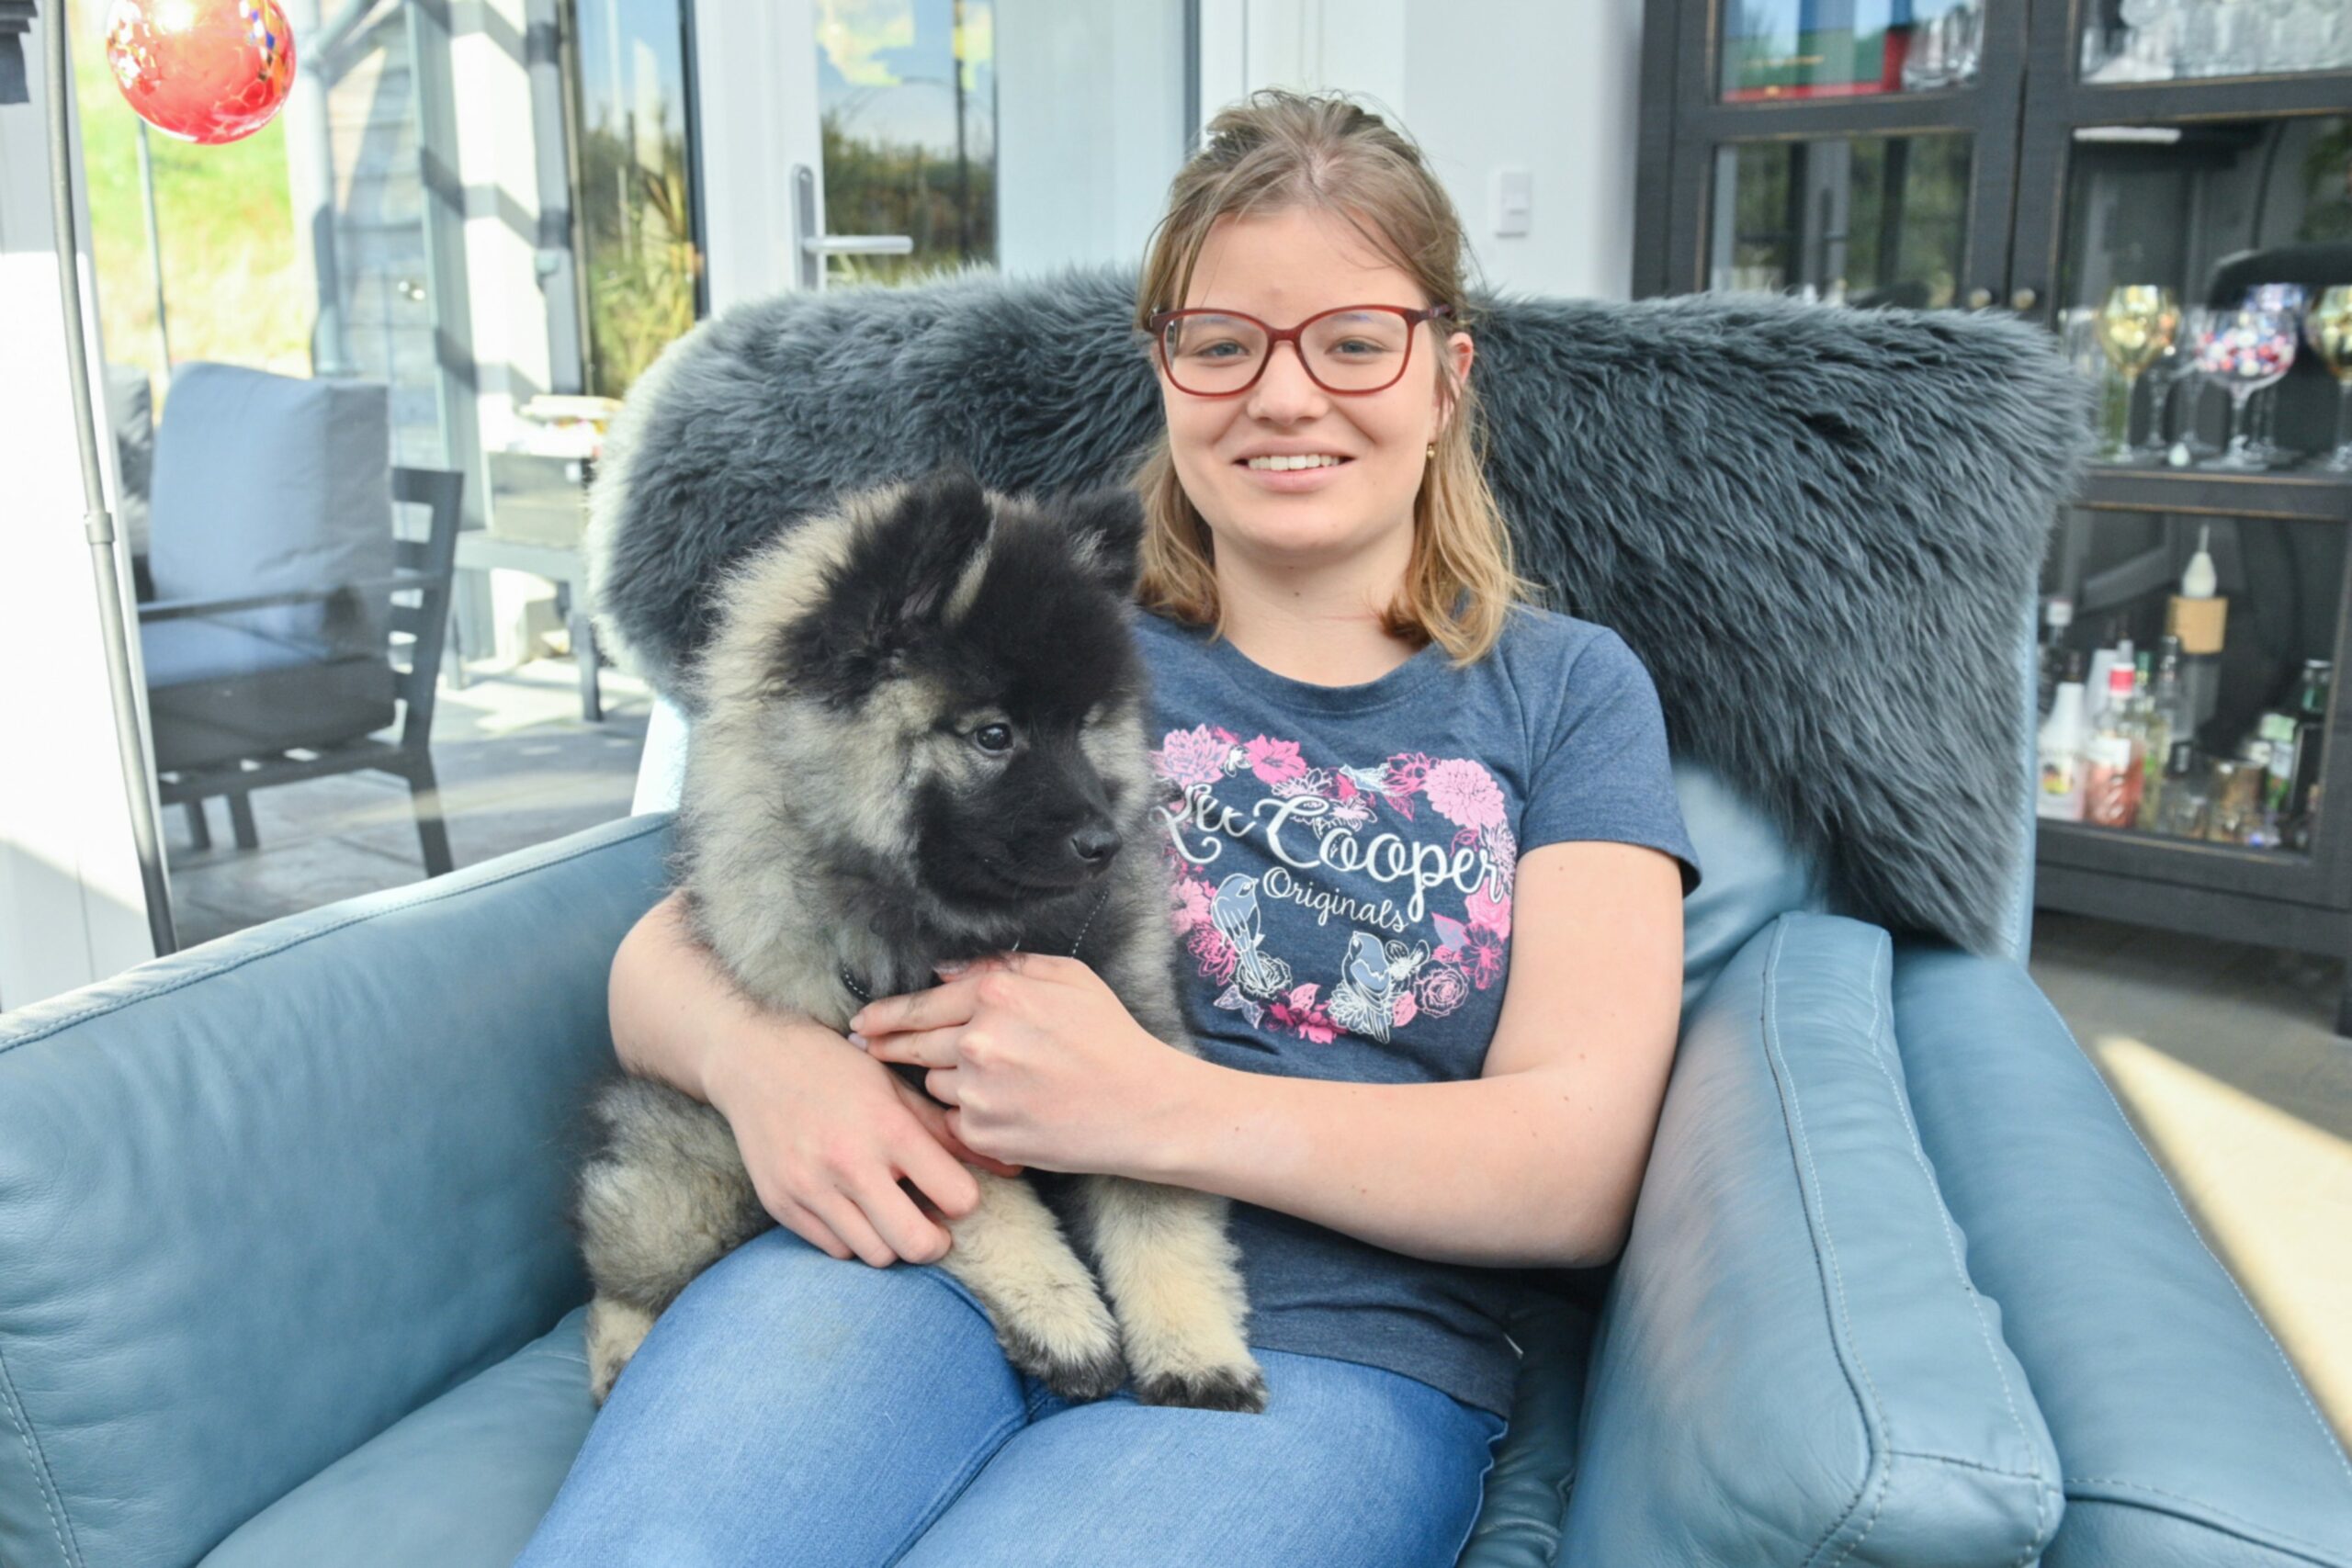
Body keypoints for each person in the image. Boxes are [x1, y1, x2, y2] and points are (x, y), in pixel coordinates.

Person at [515, 89, 1699, 1568]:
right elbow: (674, 947)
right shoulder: (1032, 627)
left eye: (1352, 339)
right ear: (1166, 370)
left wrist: (1150, 1105)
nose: (1284, 395)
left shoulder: (1564, 692)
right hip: (924, 1255)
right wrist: (768, 1071)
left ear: (1447, 374)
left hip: (1314, 1354)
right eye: (1223, 344)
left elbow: (1576, 1169)